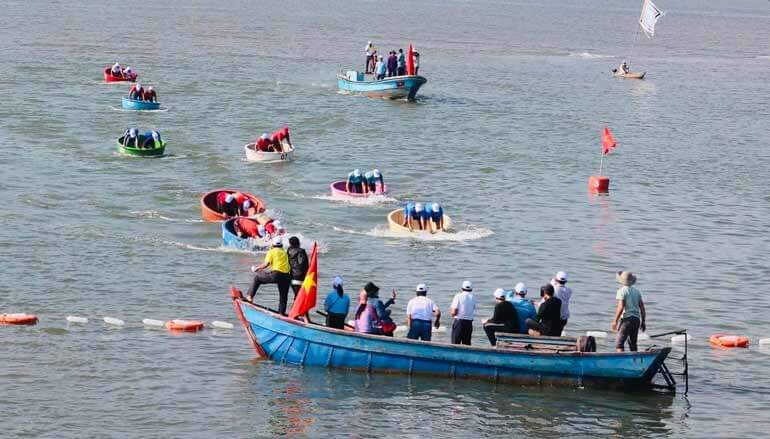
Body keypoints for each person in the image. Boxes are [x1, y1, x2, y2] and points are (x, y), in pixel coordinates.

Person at [246, 236, 292, 315]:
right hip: (287, 276)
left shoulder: (272, 251)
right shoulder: (284, 252)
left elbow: (266, 264)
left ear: (273, 244)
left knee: (257, 278)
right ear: (281, 245)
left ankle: (249, 296)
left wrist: (256, 268)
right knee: (283, 297)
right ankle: (281, 313)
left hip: (276, 275)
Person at [612, 271, 646, 352]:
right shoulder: (637, 292)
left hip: (627, 319)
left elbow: (621, 307)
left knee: (619, 344)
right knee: (633, 344)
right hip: (636, 320)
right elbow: (642, 308)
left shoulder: (621, 291)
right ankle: (634, 362)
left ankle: (620, 362)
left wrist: (615, 321)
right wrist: (643, 322)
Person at [450, 281, 476, 345]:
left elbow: (454, 311)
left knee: (455, 343)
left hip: (459, 322)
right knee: (467, 344)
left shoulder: (458, 296)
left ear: (462, 288)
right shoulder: (473, 297)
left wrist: (452, 314)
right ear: (471, 289)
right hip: (469, 323)